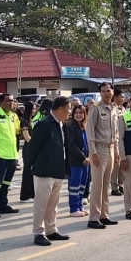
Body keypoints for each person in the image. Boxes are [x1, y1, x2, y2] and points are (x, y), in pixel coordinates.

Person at [26, 96, 71, 246]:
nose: (70, 112)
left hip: (58, 169)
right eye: (68, 109)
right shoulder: (44, 124)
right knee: (41, 204)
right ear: (60, 109)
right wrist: (31, 166)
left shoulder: (61, 124)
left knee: (53, 204)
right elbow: (33, 147)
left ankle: (51, 229)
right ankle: (38, 232)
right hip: (44, 170)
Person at [86, 82, 120, 229]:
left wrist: (117, 151)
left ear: (112, 92)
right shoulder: (95, 109)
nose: (107, 93)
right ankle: (93, 218)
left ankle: (104, 215)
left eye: (109, 91)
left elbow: (116, 132)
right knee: (97, 186)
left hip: (111, 148)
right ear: (100, 93)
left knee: (106, 186)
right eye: (104, 91)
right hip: (99, 150)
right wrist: (93, 152)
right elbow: (90, 132)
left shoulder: (114, 108)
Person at [66, 104, 90, 217]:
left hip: (86, 161)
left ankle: (80, 206)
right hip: (76, 161)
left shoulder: (84, 127)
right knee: (75, 185)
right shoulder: (70, 126)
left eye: (81, 113)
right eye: (76, 112)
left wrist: (88, 157)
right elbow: (71, 145)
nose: (78, 115)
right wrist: (83, 157)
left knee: (82, 185)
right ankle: (74, 209)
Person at [110, 88, 126, 196]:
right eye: (121, 97)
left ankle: (121, 184)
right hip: (114, 140)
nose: (123, 99)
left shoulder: (123, 109)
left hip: (123, 139)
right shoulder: (111, 108)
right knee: (115, 164)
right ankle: (114, 187)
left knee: (122, 164)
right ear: (115, 97)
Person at [19, 102, 35, 203]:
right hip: (28, 148)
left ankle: (31, 193)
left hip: (32, 147)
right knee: (27, 172)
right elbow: (26, 137)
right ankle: (25, 195)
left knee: (32, 171)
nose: (35, 110)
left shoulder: (30, 120)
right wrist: (36, 143)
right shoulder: (24, 121)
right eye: (33, 109)